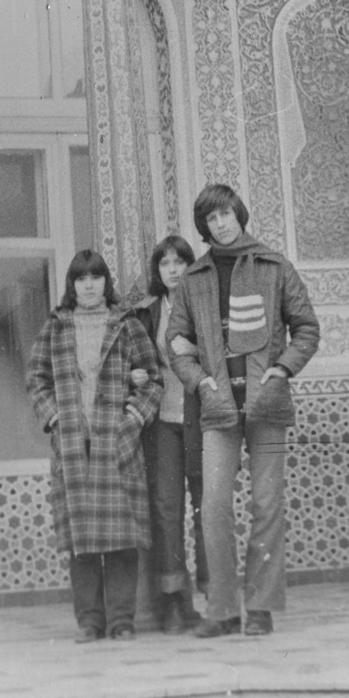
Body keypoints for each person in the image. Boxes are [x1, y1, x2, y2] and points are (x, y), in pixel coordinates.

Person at [166, 184, 320, 638]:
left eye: (226, 214)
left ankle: (260, 607)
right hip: (217, 408)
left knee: (267, 505)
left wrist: (282, 370)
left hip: (266, 405)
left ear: (239, 214)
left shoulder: (275, 266)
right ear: (204, 226)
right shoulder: (194, 279)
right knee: (213, 506)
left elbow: (307, 328)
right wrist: (200, 381)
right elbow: (176, 343)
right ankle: (222, 609)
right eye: (211, 219)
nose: (220, 224)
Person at [27, 250, 163, 642]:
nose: (88, 286)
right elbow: (36, 378)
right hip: (73, 446)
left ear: (106, 282)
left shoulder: (127, 325)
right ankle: (89, 620)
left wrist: (132, 419)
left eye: (95, 278)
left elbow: (153, 378)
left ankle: (121, 620)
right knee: (82, 541)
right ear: (72, 285)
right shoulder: (55, 327)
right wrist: (55, 418)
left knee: (121, 538)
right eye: (81, 279)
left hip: (117, 444)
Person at [131, 235, 209, 635]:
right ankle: (177, 603)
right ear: (157, 270)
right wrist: (135, 374)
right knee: (166, 510)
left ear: (191, 266)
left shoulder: (204, 306)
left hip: (201, 419)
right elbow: (134, 359)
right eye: (165, 263)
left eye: (180, 262)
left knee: (206, 508)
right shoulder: (148, 313)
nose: (173, 269)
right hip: (162, 422)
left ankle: (215, 598)